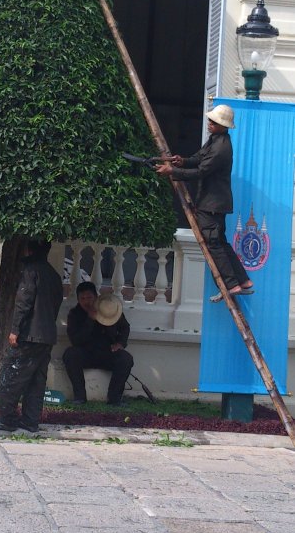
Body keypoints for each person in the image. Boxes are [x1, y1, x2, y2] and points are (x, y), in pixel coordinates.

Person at [156, 103, 254, 302]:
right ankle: (243, 281)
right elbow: (198, 159)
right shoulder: (215, 140)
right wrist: (181, 161)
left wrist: (172, 172)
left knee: (213, 244)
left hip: (212, 204)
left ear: (223, 125)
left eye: (213, 121)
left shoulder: (221, 148)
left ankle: (232, 284)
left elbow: (201, 171)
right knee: (221, 243)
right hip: (213, 203)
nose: (209, 123)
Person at [0, 239, 63, 433]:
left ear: (28, 250)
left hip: (29, 335)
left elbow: (24, 303)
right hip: (46, 336)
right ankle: (30, 421)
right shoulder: (53, 274)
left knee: (10, 376)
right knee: (36, 382)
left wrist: (15, 330)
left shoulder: (30, 271)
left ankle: (7, 419)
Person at [63, 282, 134, 405]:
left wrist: (120, 343)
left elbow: (124, 327)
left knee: (126, 359)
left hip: (107, 352)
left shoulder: (109, 307)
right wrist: (90, 320)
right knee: (70, 354)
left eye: (89, 297)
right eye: (82, 299)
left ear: (96, 297)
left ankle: (114, 398)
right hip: (86, 352)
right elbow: (75, 340)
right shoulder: (75, 314)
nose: (86, 302)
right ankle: (80, 397)